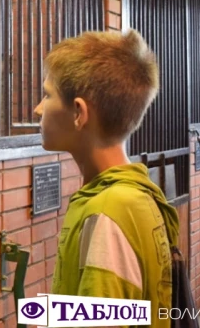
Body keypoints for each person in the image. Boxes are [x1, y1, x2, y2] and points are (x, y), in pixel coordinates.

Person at [34, 29, 178, 326]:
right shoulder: (137, 193)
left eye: (47, 95)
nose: (38, 108)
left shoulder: (108, 213)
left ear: (78, 113)